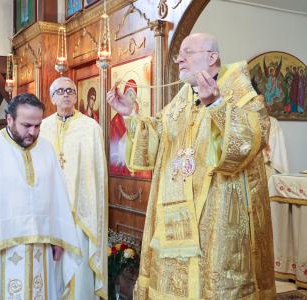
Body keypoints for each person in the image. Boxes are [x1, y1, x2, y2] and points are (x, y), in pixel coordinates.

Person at [107, 33, 275, 299]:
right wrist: (131, 115)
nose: (180, 59)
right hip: (173, 218)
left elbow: (247, 143)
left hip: (215, 212)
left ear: (212, 57)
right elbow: (159, 138)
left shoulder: (243, 95)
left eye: (188, 52)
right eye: (179, 54)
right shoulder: (183, 97)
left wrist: (216, 105)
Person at [0, 93, 81, 300]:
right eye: (26, 125)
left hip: (42, 246)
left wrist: (59, 239)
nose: (33, 132)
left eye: (37, 126)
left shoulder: (46, 150)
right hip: (2, 249)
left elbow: (57, 198)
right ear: (9, 119)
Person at [41, 77, 108, 299]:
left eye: (70, 90)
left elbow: (96, 172)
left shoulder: (90, 127)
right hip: (49, 209)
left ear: (76, 95)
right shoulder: (42, 127)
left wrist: (86, 203)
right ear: (52, 98)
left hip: (80, 211)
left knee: (78, 267)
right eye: (60, 91)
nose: (66, 94)